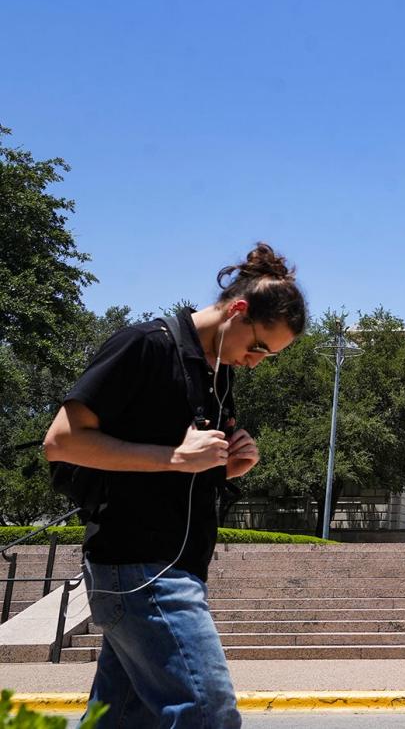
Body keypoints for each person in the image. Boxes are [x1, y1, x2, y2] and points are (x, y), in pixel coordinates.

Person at [43, 243, 306, 728]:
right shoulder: (145, 344)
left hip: (173, 566)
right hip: (141, 568)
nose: (256, 361)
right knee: (207, 713)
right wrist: (176, 458)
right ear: (238, 311)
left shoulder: (217, 375)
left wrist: (223, 467)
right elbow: (61, 441)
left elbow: (177, 476)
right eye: (259, 347)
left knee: (119, 719)